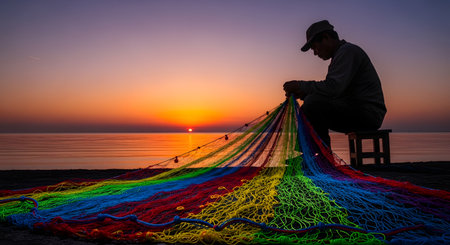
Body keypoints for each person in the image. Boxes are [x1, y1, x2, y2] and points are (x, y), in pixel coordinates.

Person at [283, 20, 386, 147]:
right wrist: (302, 93)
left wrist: (300, 85)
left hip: (368, 114)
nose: (315, 53)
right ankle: (312, 155)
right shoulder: (340, 55)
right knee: (310, 104)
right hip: (356, 110)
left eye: (315, 47)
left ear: (326, 37)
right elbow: (332, 93)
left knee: (313, 103)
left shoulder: (347, 52)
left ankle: (321, 158)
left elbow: (333, 88)